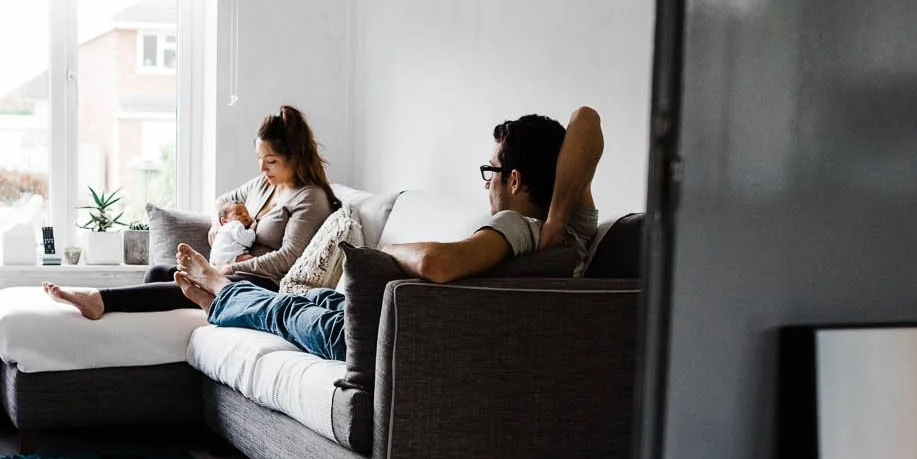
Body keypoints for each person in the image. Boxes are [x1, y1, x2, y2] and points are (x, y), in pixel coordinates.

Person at [170, 106, 605, 360]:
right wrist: (556, 219)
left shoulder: (512, 224)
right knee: (297, 302)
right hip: (380, 320)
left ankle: (222, 289)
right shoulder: (572, 230)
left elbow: (435, 263)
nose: (486, 182)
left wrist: (390, 251)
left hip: (377, 336)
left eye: (490, 171)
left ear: (512, 180)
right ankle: (225, 299)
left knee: (282, 313)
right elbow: (587, 119)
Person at [44, 106, 338, 319]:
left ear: (295, 158)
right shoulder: (265, 184)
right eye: (260, 159)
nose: (262, 169)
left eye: (271, 161)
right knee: (160, 271)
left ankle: (98, 300)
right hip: (234, 272)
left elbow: (289, 258)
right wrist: (218, 224)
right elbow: (224, 199)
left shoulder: (310, 198)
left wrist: (227, 270)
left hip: (263, 284)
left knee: (188, 281)